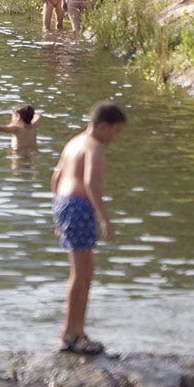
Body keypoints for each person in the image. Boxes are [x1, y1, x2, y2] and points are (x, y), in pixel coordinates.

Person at [50, 101, 126, 355]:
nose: (116, 137)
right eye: (116, 131)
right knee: (83, 274)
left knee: (81, 272)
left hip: (63, 203)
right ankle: (74, 334)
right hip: (79, 206)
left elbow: (56, 177)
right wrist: (104, 218)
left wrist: (58, 215)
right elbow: (91, 184)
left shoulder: (74, 143)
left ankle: (72, 332)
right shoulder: (93, 148)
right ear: (103, 126)